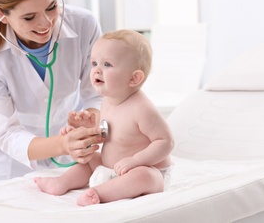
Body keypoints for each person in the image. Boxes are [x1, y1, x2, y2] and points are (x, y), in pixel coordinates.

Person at [0, 0, 105, 183]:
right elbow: (7, 132)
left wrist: (91, 120)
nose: (46, 22)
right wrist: (61, 144)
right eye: (29, 17)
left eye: (51, 6)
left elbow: (96, 91)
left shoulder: (84, 24)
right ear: (1, 14)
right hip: (7, 155)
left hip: (67, 139)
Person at [35, 29, 175, 206]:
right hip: (112, 168)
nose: (96, 71)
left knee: (145, 176)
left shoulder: (142, 108)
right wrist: (83, 131)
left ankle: (98, 194)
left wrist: (136, 161)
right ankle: (60, 182)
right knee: (90, 159)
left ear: (134, 78)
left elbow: (165, 141)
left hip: (149, 170)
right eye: (94, 63)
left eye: (107, 64)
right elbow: (110, 135)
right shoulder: (107, 101)